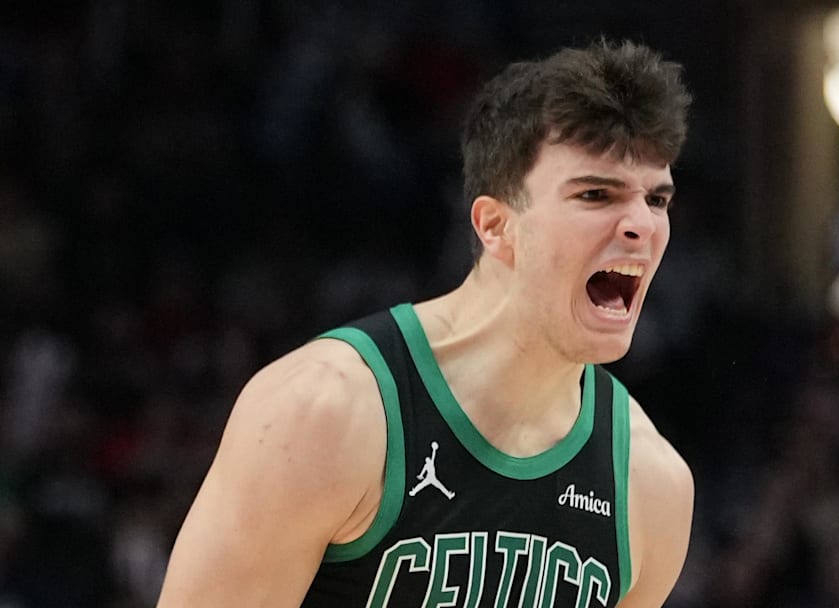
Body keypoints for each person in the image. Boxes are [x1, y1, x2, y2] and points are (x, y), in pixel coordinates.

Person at [157, 38, 694, 607]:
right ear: (495, 226)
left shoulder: (649, 485)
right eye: (595, 194)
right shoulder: (324, 412)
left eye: (657, 201)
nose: (641, 224)